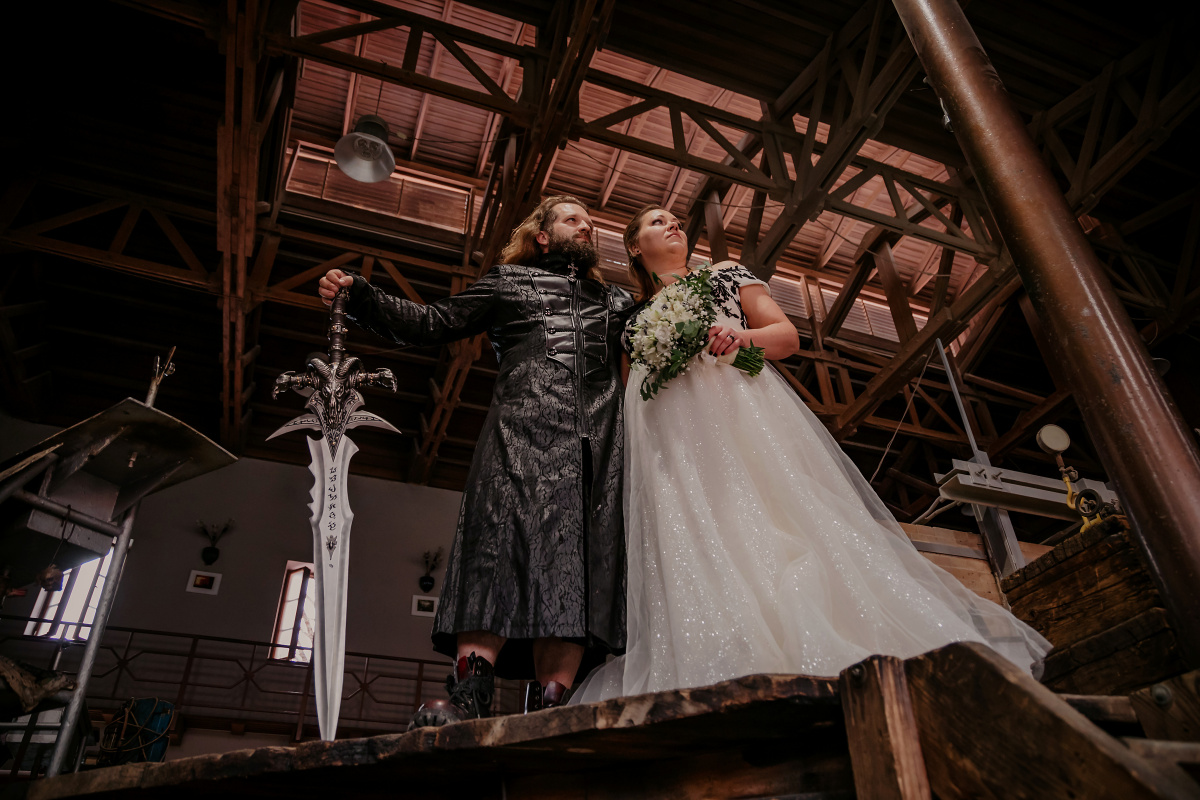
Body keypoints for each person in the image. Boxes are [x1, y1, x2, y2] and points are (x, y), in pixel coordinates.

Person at [572, 206, 1050, 703]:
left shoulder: (723, 274)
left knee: (767, 518)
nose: (674, 224)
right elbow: (631, 396)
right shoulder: (632, 320)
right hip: (670, 446)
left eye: (675, 219)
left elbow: (783, 339)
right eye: (657, 221)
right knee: (692, 534)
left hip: (735, 417)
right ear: (634, 246)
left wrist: (741, 338)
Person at [318, 196, 638, 724]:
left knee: (576, 575)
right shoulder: (506, 283)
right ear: (542, 235)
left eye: (590, 221)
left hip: (595, 450)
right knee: (493, 553)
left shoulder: (617, 301)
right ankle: (469, 698)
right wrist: (362, 297)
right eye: (572, 219)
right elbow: (431, 321)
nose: (586, 226)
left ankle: (551, 711)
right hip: (518, 435)